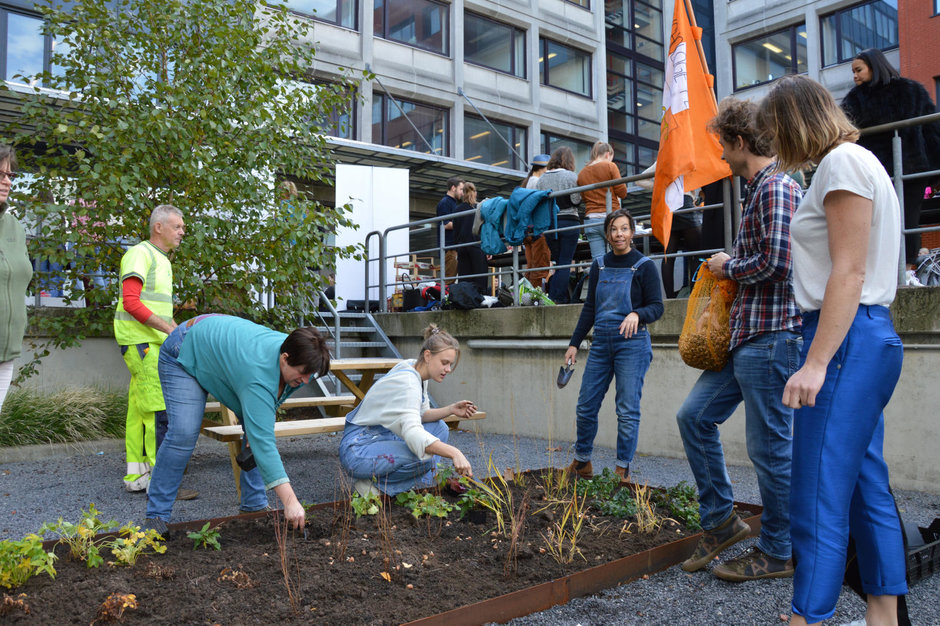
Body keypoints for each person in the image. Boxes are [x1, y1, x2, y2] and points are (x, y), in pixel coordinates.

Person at [759, 75, 908, 626]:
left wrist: (816, 361)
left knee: (817, 495)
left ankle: (806, 618)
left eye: (774, 131)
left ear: (793, 123)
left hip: (845, 338)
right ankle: (883, 616)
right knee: (867, 489)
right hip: (869, 334)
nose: (774, 144)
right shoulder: (864, 162)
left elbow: (849, 270)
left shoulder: (841, 164)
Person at [676, 97, 803, 582]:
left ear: (741, 141)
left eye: (724, 147)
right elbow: (771, 254)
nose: (722, 157)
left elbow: (779, 262)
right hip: (749, 336)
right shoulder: (763, 189)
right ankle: (724, 522)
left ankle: (777, 554)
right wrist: (734, 258)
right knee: (694, 416)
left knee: (771, 451)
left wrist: (729, 265)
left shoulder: (774, 188)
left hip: (771, 337)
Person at [144, 315, 331, 533]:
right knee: (183, 433)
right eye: (303, 373)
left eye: (311, 375)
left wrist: (258, 428)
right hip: (185, 348)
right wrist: (290, 502)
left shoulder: (297, 354)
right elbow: (264, 443)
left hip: (222, 350)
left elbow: (271, 402)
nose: (307, 381)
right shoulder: (258, 374)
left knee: (257, 428)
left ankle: (254, 507)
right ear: (285, 358)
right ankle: (155, 519)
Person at [563, 209, 663, 482]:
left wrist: (637, 313)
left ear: (632, 232)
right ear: (606, 234)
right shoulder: (600, 265)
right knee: (585, 405)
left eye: (624, 229)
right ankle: (582, 461)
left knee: (627, 410)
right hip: (600, 344)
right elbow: (590, 308)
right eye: (613, 230)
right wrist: (574, 343)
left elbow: (657, 307)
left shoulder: (644, 266)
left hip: (632, 345)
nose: (619, 234)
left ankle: (622, 469)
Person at [339, 324, 476, 496]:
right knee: (425, 458)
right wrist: (454, 452)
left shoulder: (415, 369)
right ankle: (375, 487)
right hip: (358, 450)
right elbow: (413, 432)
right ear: (428, 356)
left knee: (439, 428)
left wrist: (451, 409)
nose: (448, 369)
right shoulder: (408, 383)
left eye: (450, 364)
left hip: (380, 436)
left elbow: (421, 415)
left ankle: (422, 485)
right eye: (444, 363)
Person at [113, 205, 192, 496]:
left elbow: (157, 309)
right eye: (178, 226)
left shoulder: (160, 260)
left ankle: (138, 478)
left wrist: (178, 332)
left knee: (139, 410)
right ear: (158, 227)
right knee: (158, 411)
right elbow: (132, 303)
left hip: (144, 342)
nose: (183, 232)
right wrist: (170, 330)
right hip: (142, 343)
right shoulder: (141, 254)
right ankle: (164, 485)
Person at [841, 47, 940, 266]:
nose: (855, 76)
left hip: (882, 169)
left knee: (892, 220)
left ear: (874, 67)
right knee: (903, 219)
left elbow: (931, 131)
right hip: (907, 167)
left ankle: (903, 271)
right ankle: (904, 271)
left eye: (859, 70)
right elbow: (932, 132)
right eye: (853, 72)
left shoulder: (856, 100)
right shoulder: (911, 90)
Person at [0, 145, 32, 413]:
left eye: (9, 175)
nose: (7, 181)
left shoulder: (15, 227)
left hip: (6, 351)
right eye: (0, 175)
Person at [537, 147, 582, 304]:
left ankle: (554, 295)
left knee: (557, 262)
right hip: (569, 221)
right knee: (565, 262)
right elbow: (576, 199)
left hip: (550, 224)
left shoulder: (541, 179)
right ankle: (558, 297)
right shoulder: (571, 176)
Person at [577, 142, 628, 260]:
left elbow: (584, 198)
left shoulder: (581, 174)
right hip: (611, 218)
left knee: (598, 260)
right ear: (608, 154)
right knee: (619, 257)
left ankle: (601, 278)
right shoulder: (610, 166)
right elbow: (622, 193)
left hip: (591, 220)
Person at [521, 154, 552, 290]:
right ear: (543, 168)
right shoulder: (537, 182)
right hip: (538, 230)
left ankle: (527, 295)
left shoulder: (527, 182)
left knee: (531, 266)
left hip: (527, 230)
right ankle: (536, 298)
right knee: (540, 267)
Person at [452, 182, 489, 295]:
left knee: (465, 281)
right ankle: (480, 301)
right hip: (477, 246)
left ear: (463, 194)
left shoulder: (457, 210)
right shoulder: (479, 208)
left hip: (462, 247)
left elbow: (456, 231)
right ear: (475, 193)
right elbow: (484, 229)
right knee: (480, 280)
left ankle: (466, 301)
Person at [435, 177, 464, 285]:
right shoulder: (445, 202)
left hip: (451, 247)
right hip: (448, 247)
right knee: (449, 279)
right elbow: (445, 224)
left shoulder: (451, 202)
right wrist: (463, 223)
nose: (462, 193)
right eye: (461, 189)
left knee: (451, 279)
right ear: (453, 188)